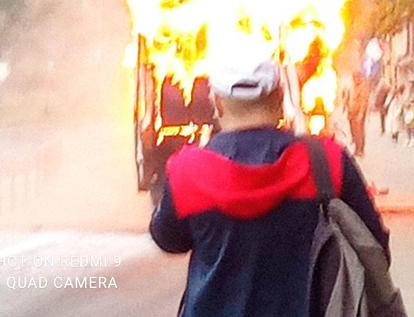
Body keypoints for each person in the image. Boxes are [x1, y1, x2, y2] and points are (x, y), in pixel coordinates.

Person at [150, 57, 390, 317]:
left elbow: (167, 238)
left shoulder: (187, 170)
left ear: (217, 103)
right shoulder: (327, 162)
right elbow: (375, 248)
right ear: (279, 97)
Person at [347, 71, 370, 157]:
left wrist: (361, 113)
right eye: (353, 78)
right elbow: (350, 98)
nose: (354, 80)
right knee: (354, 132)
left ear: (359, 78)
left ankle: (360, 150)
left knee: (359, 131)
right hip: (352, 112)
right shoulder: (353, 87)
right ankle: (356, 148)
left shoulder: (363, 87)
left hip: (359, 112)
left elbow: (364, 101)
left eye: (355, 78)